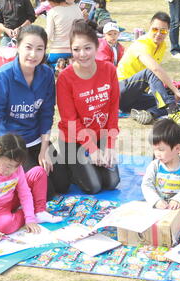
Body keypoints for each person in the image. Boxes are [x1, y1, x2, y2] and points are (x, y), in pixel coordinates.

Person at [0, 25, 70, 200]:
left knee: (64, 184)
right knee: (46, 193)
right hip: (13, 145)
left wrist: (44, 150)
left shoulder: (46, 74)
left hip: (37, 141)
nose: (33, 54)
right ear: (17, 46)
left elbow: (47, 114)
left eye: (39, 49)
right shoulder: (2, 77)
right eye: (28, 47)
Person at [56, 19, 120, 195]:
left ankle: (91, 164)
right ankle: (68, 164)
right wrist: (91, 149)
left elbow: (113, 111)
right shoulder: (65, 78)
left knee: (112, 182)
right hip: (74, 140)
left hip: (100, 135)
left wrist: (109, 146)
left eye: (87, 48)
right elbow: (70, 120)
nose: (82, 54)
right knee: (94, 187)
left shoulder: (109, 70)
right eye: (76, 49)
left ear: (97, 46)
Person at [0, 134, 62, 241]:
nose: (12, 171)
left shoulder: (16, 169)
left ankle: (39, 211)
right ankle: (33, 212)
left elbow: (24, 193)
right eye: (8, 166)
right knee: (6, 225)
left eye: (17, 166)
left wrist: (30, 219)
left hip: (12, 199)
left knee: (39, 172)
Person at [117, 12, 180, 127]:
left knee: (169, 99)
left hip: (133, 97)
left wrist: (171, 93)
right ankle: (173, 111)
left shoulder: (162, 46)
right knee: (152, 75)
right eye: (155, 29)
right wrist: (175, 90)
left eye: (163, 31)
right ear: (149, 27)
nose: (158, 34)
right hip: (119, 91)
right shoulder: (142, 44)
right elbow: (155, 69)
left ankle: (148, 115)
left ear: (168, 32)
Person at [141, 118, 180, 227]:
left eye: (161, 150)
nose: (157, 154)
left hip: (179, 206)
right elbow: (147, 185)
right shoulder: (154, 166)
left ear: (177, 148)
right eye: (155, 149)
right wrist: (156, 201)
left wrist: (178, 200)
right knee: (143, 214)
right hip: (159, 203)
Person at [45, 0, 84, 69]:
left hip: (57, 51)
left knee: (44, 63)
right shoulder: (77, 9)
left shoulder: (52, 12)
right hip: (75, 51)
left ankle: (57, 67)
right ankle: (67, 65)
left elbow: (48, 34)